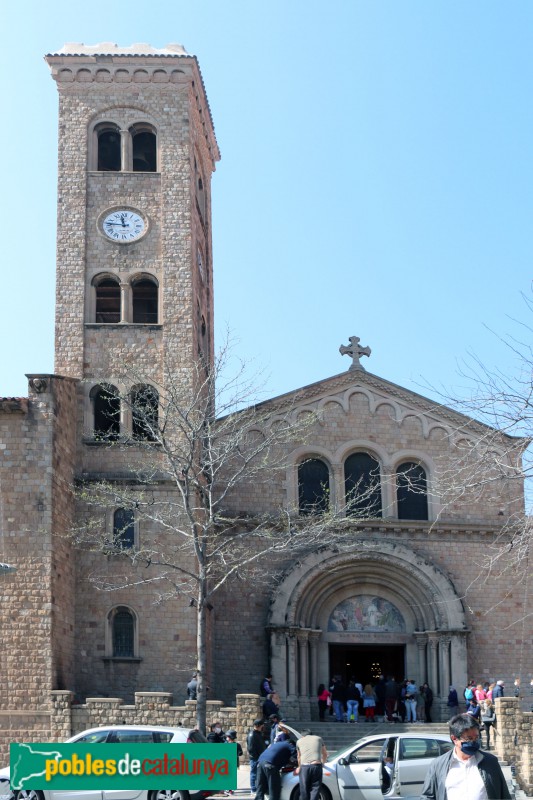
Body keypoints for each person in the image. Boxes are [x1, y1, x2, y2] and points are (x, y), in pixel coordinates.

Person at [420, 713, 511, 799]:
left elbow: (504, 794)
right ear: (454, 739)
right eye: (469, 738)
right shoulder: (438, 765)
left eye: (476, 737)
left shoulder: (490, 762)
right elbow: (428, 796)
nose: (474, 742)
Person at [295, 729, 328, 800]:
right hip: (316, 765)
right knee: (315, 789)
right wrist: (323, 763)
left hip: (304, 767)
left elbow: (298, 756)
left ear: (302, 736)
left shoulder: (299, 741)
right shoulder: (319, 738)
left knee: (304, 789)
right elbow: (325, 753)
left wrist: (299, 767)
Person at [247, 718, 267, 795]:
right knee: (254, 773)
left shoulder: (258, 733)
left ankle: (257, 788)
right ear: (258, 725)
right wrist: (257, 757)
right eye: (262, 725)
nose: (263, 726)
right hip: (255, 758)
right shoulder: (252, 735)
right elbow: (251, 748)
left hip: (259, 757)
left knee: (257, 774)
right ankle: (253, 789)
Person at [224, 730, 243, 796]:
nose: (226, 738)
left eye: (227, 737)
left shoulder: (237, 745)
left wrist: (237, 753)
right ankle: (228, 789)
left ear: (231, 737)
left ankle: (230, 789)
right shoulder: (225, 744)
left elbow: (240, 753)